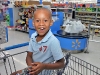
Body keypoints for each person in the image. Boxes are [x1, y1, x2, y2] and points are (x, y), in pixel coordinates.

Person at [11, 7, 64, 75]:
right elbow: (29, 56)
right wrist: (31, 68)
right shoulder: (33, 36)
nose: (41, 24)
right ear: (33, 23)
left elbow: (61, 63)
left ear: (51, 22)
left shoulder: (53, 41)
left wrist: (44, 66)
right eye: (38, 21)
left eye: (45, 20)